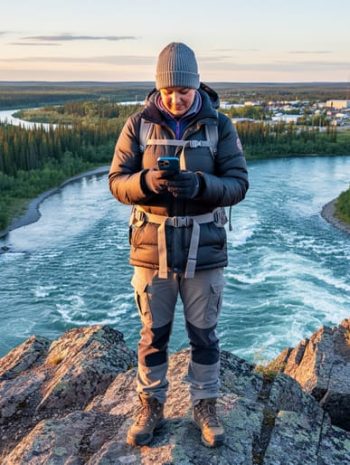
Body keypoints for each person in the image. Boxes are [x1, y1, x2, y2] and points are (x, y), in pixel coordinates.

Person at [108, 42, 249, 448]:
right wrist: (146, 183)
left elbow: (239, 183)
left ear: (196, 85)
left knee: (204, 335)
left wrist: (202, 185)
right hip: (152, 250)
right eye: (168, 91)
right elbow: (117, 181)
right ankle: (150, 404)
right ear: (158, 87)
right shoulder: (137, 125)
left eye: (183, 91)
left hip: (204, 250)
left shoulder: (219, 125)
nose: (175, 98)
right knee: (153, 333)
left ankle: (205, 405)